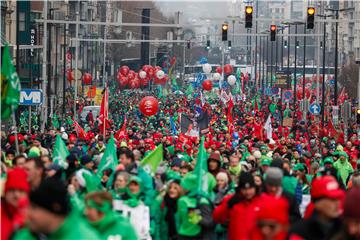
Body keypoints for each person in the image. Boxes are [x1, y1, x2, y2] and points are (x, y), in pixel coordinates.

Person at [13, 177, 100, 240]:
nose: (27, 213)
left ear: (55, 208)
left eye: (34, 208)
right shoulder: (26, 234)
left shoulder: (84, 237)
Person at [213, 172, 262, 240]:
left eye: (250, 188)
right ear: (239, 189)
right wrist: (227, 206)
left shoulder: (261, 201)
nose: (248, 192)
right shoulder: (231, 200)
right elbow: (217, 217)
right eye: (244, 189)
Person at [1, 167, 30, 240]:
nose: (16, 195)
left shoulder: (34, 216)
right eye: (11, 190)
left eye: (21, 190)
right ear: (5, 192)